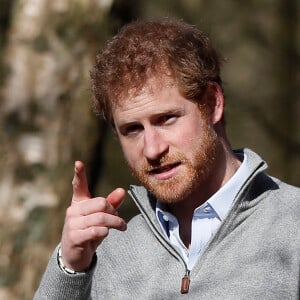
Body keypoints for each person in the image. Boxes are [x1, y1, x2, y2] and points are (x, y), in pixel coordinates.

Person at [34, 19, 300, 299]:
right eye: (132, 129)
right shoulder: (105, 252)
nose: (152, 149)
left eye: (166, 119)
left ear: (212, 104)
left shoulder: (292, 224)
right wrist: (70, 268)